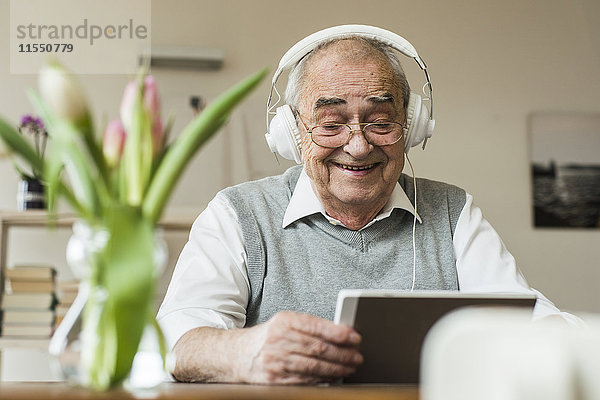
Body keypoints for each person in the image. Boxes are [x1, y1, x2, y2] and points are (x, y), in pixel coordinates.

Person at [157, 25, 575, 384]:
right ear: (291, 133)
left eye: (380, 122)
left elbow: (535, 323)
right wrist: (246, 353)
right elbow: (176, 341)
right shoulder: (236, 213)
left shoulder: (453, 212)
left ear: (412, 127)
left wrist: (556, 336)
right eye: (331, 123)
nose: (358, 146)